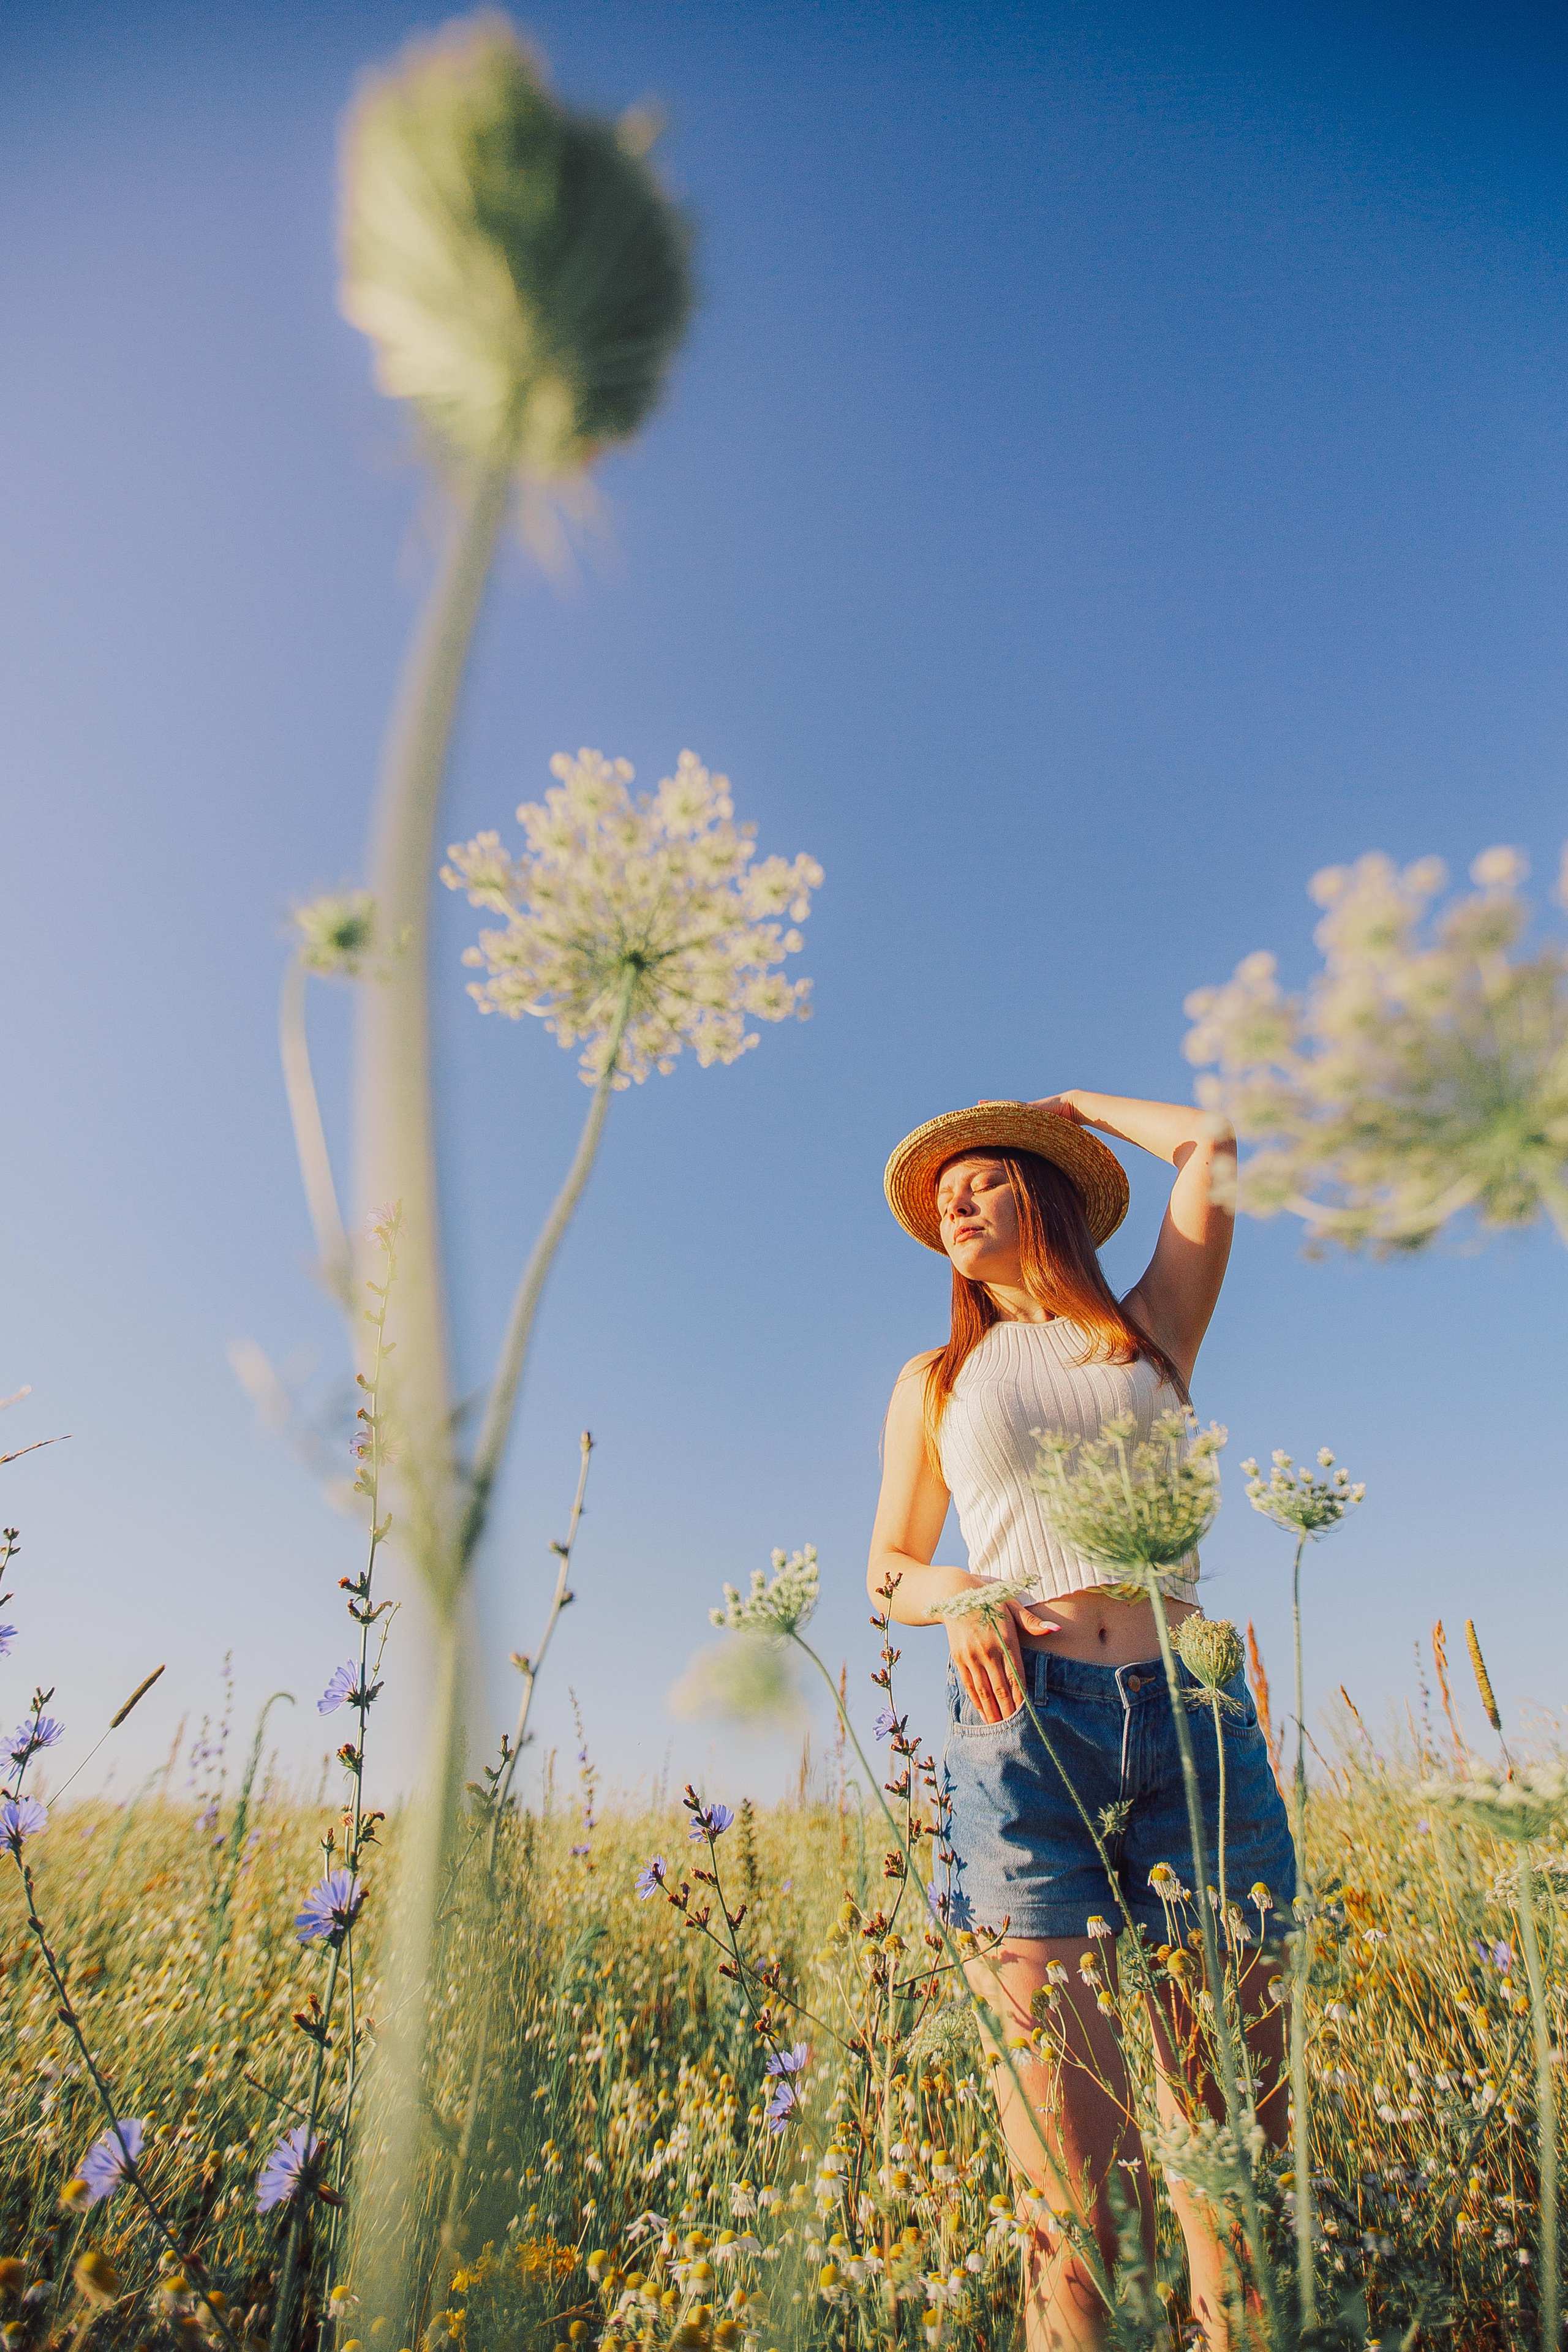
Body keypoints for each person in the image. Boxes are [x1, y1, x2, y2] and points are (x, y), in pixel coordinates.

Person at [868, 1093, 1295, 2352]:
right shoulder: (935, 1378)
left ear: (1048, 1198)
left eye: (986, 1178)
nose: (953, 1200)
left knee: (1236, 2169)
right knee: (1071, 2197)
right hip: (1024, 1737)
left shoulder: (1149, 1329)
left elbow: (1209, 1146)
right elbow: (887, 1569)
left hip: (1191, 1725)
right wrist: (960, 1595)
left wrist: (1064, 1110)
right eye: (942, 1191)